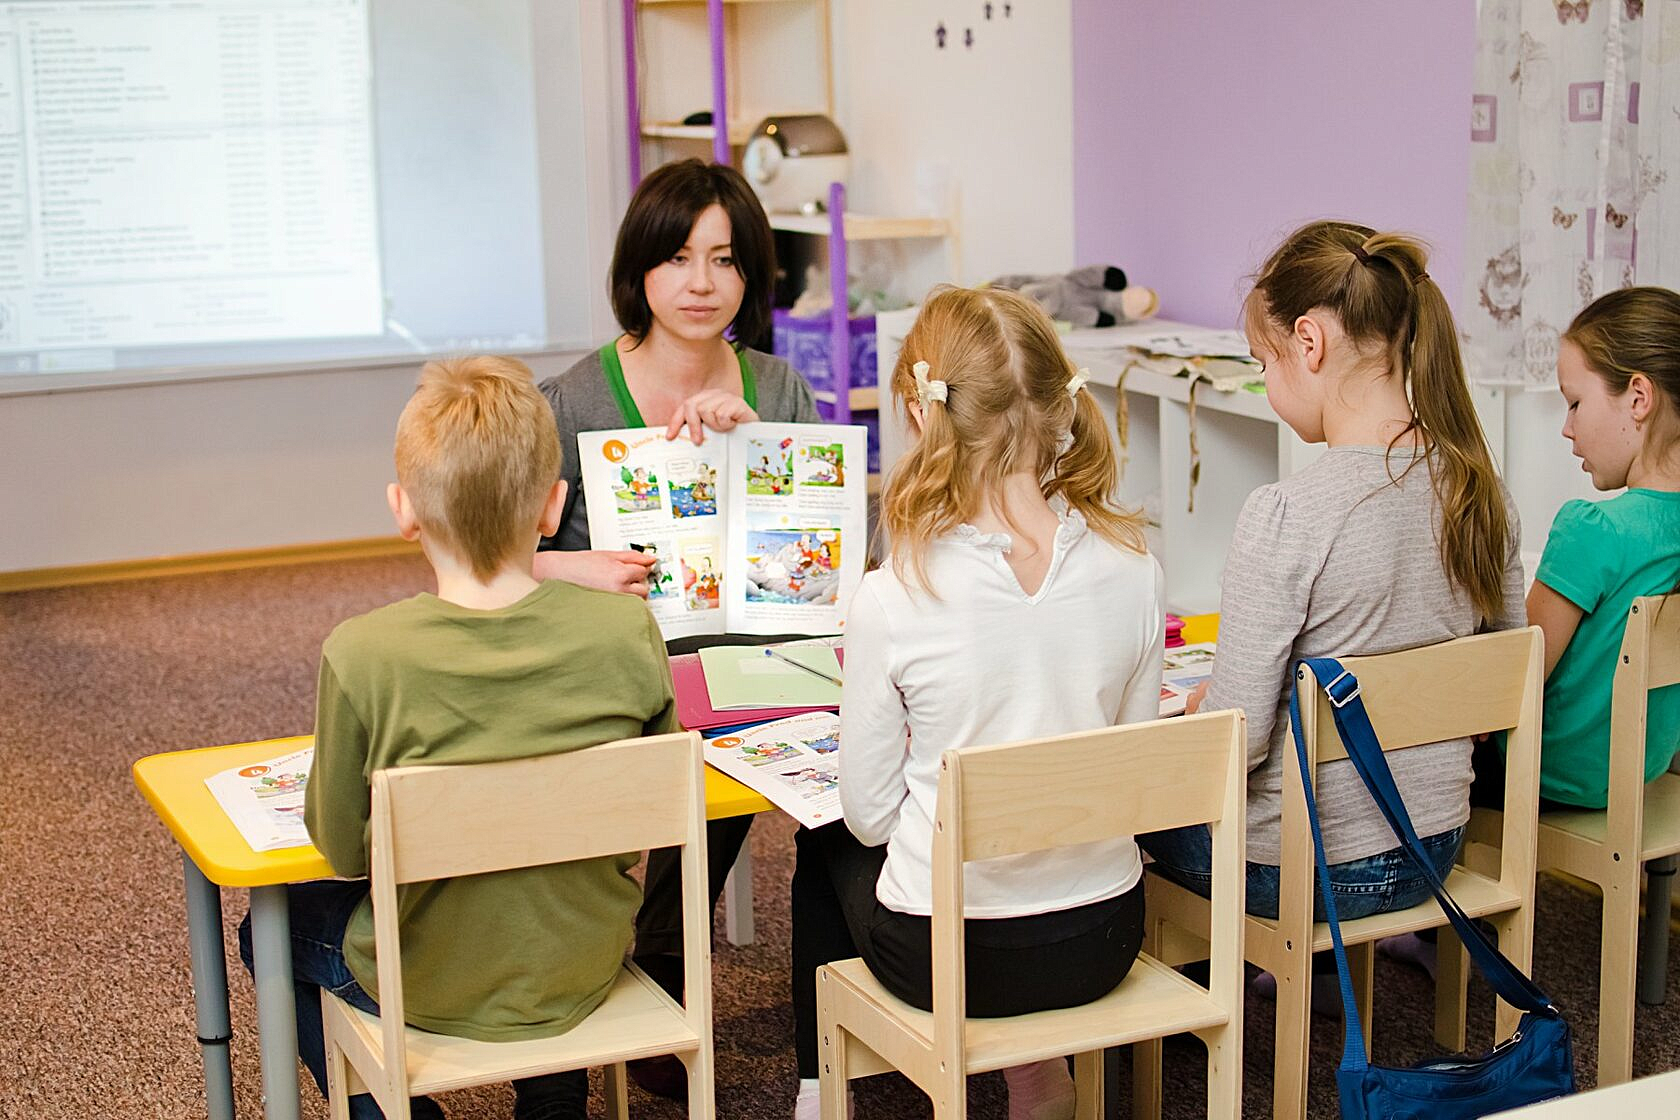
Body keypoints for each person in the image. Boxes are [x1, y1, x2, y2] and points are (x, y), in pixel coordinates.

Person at [238, 356, 679, 1120]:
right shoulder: (627, 631)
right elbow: (655, 811)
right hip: (583, 961)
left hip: (430, 974)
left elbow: (343, 852)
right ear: (553, 507)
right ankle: (552, 1102)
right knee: (541, 889)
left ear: (403, 509)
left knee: (265, 930)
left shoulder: (364, 654)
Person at [789, 286, 1164, 1120]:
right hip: (1103, 936)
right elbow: (1136, 777)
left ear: (926, 418)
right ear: (1060, 403)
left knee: (821, 841)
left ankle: (821, 1090)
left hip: (952, 955)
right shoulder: (1137, 569)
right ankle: (1035, 1074)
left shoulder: (896, 594)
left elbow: (873, 819)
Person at [1138, 222, 1525, 1000]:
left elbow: (1238, 745)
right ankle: (1296, 976)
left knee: (1125, 815)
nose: (1268, 384)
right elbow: (1503, 682)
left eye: (1262, 362)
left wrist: (1183, 720)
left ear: (1308, 344)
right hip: (1433, 845)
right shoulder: (1481, 493)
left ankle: (1168, 1035)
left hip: (1303, 869)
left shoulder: (1288, 512)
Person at [534, 157, 820, 1096]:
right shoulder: (571, 403)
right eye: (680, 259)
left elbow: (815, 569)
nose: (703, 284)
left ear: (752, 276)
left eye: (727, 261)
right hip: (607, 658)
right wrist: (583, 570)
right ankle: (614, 950)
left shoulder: (778, 392)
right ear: (640, 269)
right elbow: (501, 561)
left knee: (764, 723)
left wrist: (764, 456)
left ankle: (658, 951)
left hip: (746, 663)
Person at [1476, 287, 1680, 809]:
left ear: (1639, 398)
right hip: (1641, 770)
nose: (1567, 429)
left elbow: (1512, 680)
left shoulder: (1593, 527)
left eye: (1575, 403)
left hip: (1553, 773)